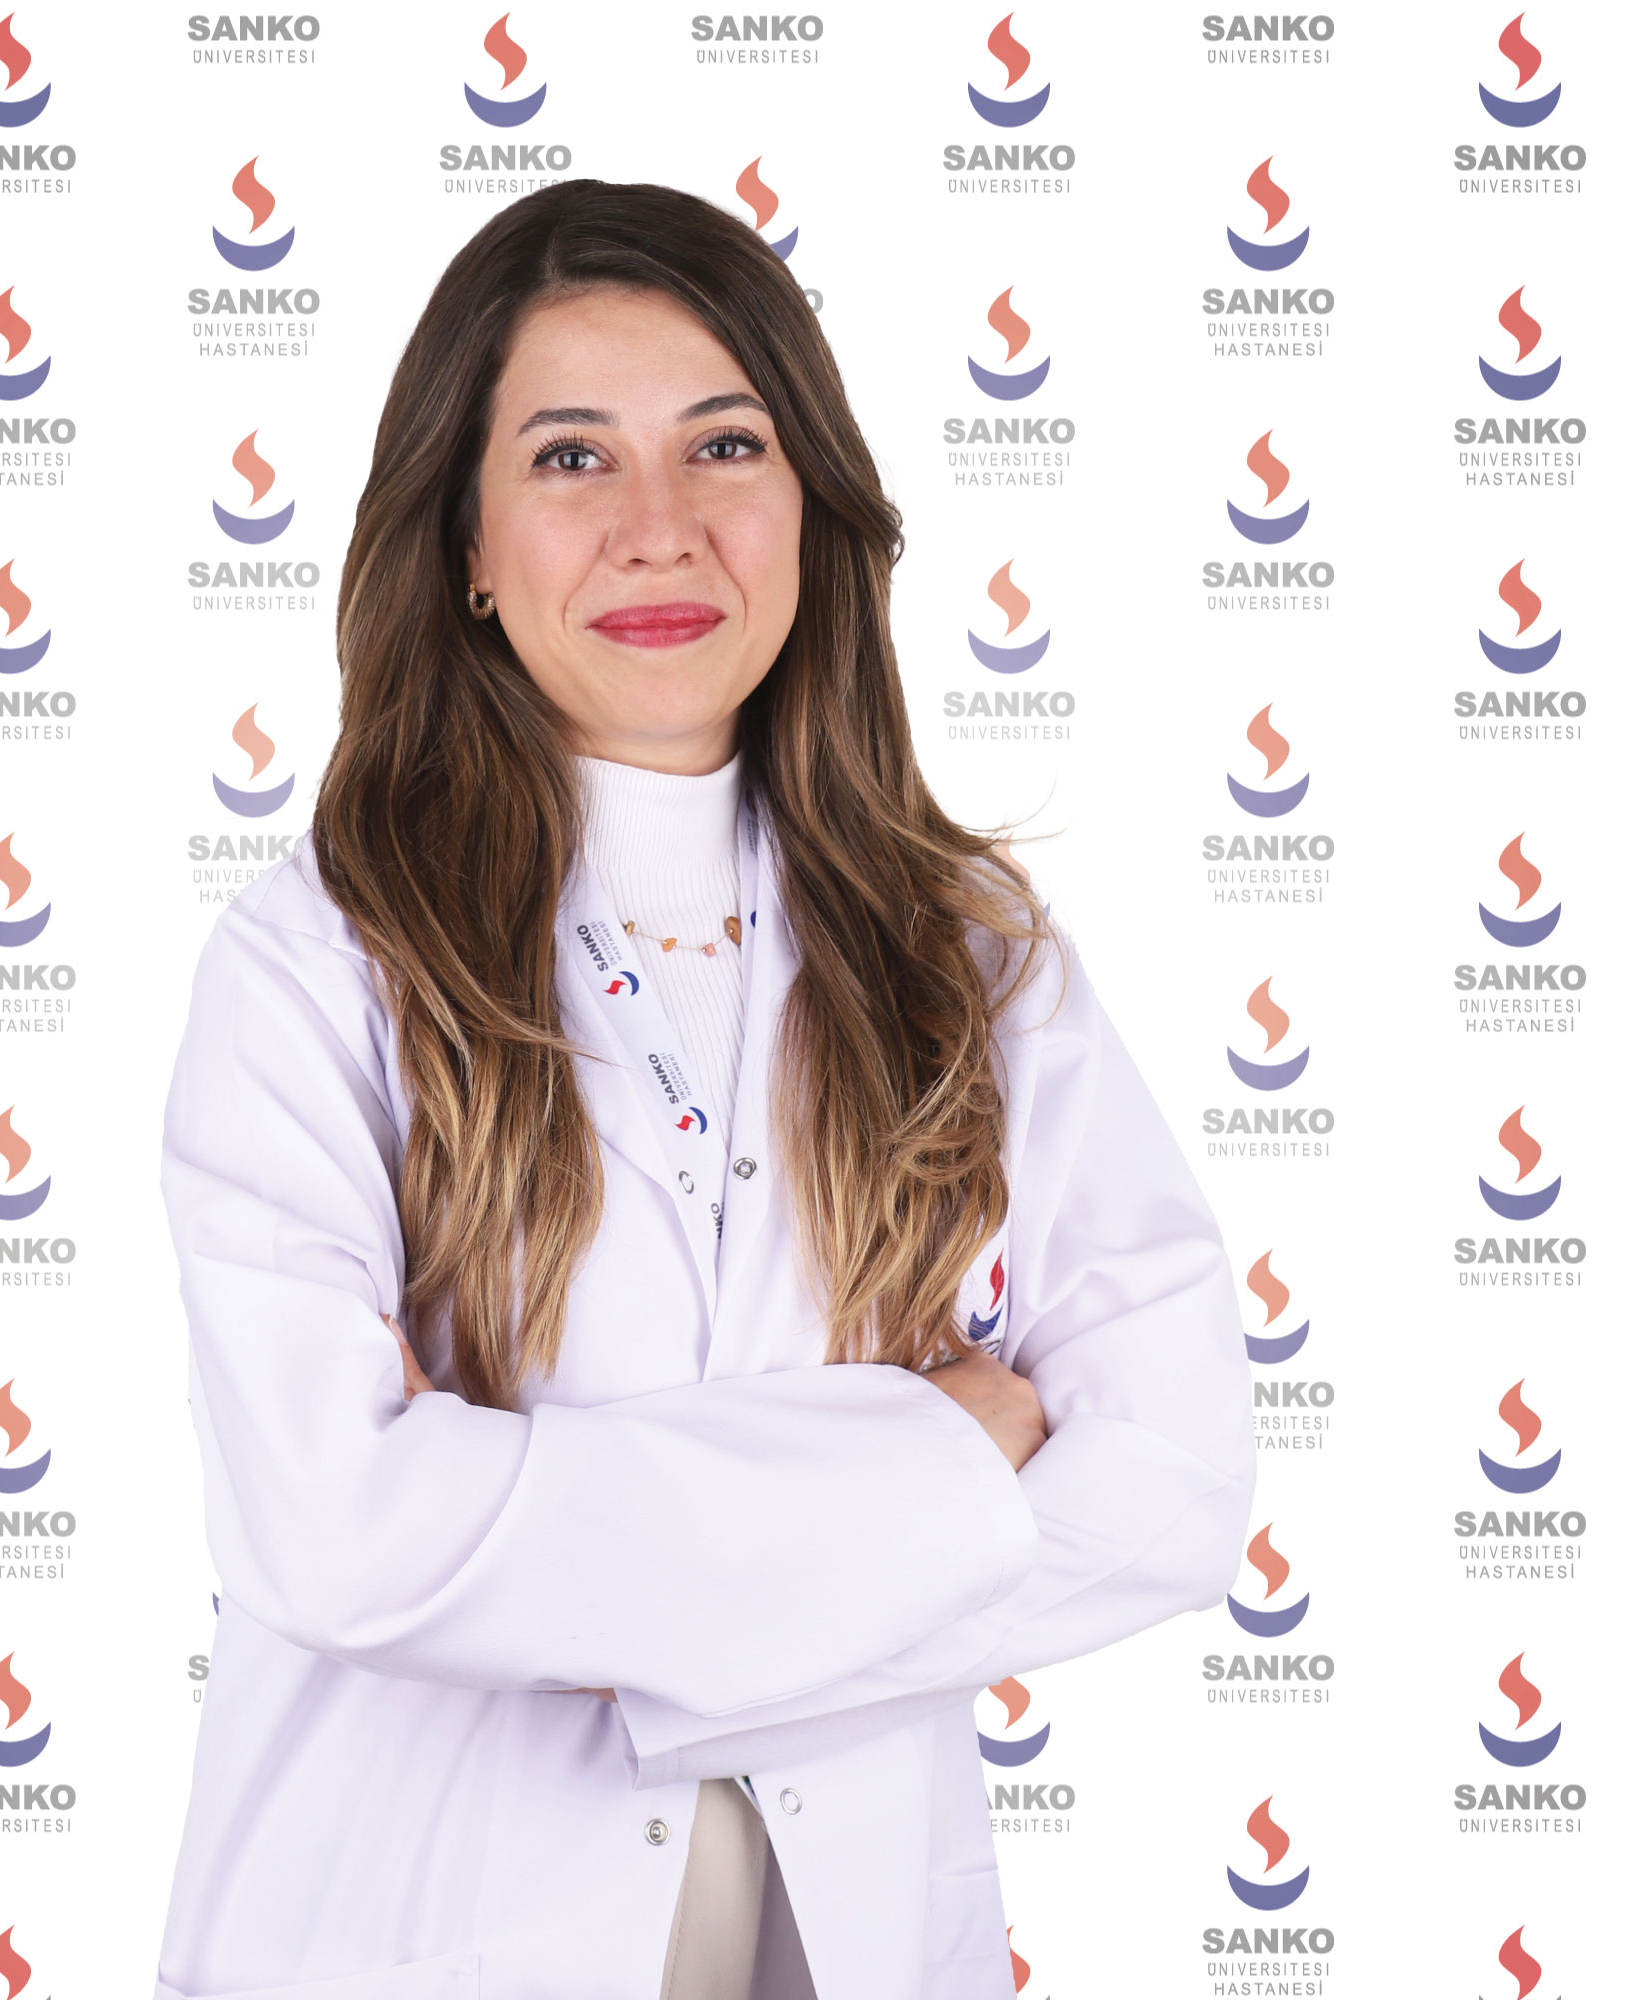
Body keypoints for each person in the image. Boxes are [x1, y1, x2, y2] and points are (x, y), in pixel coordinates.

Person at [150, 179, 1257, 2000]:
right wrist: (939, 1460)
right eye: (571, 458)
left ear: (811, 502)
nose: (658, 529)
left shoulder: (973, 957)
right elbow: (337, 1532)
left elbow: (1177, 1479)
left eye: (724, 445)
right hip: (411, 1928)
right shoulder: (319, 964)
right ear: (468, 544)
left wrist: (543, 1546)